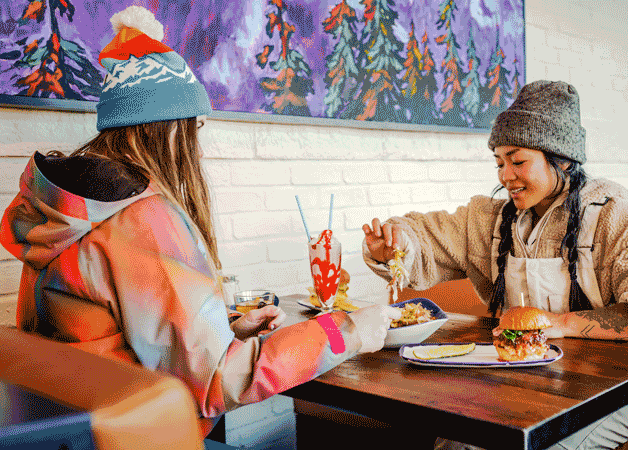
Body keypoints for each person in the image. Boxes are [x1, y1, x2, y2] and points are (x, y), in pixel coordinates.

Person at [0, 6, 400, 438]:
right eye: (196, 128)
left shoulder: (70, 207)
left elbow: (107, 336)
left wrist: (222, 329)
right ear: (170, 129)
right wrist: (348, 331)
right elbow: (220, 382)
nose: (199, 150)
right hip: (145, 438)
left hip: (79, 432)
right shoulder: (141, 217)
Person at [362, 80, 628, 450]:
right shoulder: (493, 222)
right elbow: (426, 235)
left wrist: (558, 324)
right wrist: (395, 243)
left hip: (612, 393)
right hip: (524, 387)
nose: (505, 175)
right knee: (458, 444)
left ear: (564, 158)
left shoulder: (614, 218)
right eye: (499, 162)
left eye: (518, 160)